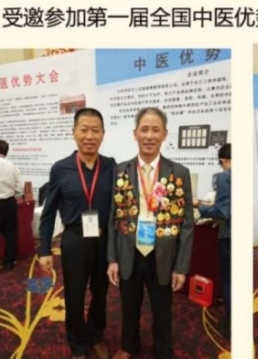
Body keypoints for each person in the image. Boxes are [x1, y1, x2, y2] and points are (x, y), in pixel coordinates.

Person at [107, 107, 194, 359]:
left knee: (162, 308)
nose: (149, 136)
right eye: (144, 129)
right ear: (135, 133)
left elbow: (187, 224)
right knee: (128, 305)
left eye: (155, 130)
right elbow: (113, 218)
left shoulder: (179, 173)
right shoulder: (120, 171)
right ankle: (129, 345)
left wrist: (181, 267)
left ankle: (163, 349)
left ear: (164, 134)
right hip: (129, 251)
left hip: (163, 254)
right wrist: (112, 259)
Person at [39, 108, 116, 359]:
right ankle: (78, 344)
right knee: (74, 294)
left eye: (95, 130)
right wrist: (44, 250)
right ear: (74, 132)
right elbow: (48, 212)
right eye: (84, 130)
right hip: (74, 239)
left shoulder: (111, 166)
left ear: (103, 134)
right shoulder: (60, 169)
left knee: (101, 292)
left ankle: (95, 334)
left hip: (104, 240)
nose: (89, 136)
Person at [193, 143, 231, 332]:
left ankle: (231, 323)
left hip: (228, 236)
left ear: (223, 160)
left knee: (229, 280)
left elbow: (222, 212)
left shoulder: (225, 177)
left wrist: (198, 205)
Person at [0, 139, 24, 270]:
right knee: (10, 234)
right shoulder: (12, 166)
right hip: (8, 203)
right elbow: (19, 189)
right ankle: (9, 263)